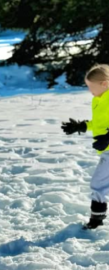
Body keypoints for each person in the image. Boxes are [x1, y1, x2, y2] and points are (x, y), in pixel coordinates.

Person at [61, 64, 109, 229]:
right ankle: (97, 219)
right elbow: (99, 123)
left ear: (104, 84)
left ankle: (96, 221)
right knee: (99, 184)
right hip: (106, 151)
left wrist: (107, 138)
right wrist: (81, 126)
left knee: (98, 184)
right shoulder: (98, 99)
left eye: (91, 87)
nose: (90, 91)